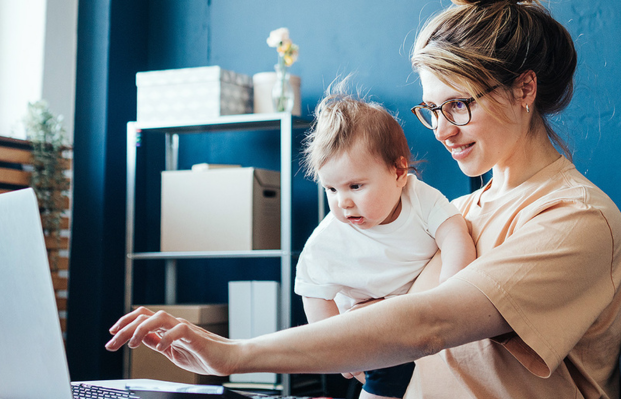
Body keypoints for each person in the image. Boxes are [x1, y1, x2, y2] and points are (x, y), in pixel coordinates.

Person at [105, 0, 621, 397]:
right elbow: (390, 330)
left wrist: (237, 354)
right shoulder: (461, 213)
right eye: (431, 109)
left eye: (458, 105)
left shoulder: (575, 218)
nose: (442, 130)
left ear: (524, 89)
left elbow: (426, 324)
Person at [294, 82, 476, 399]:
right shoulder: (328, 242)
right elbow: (313, 291)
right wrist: (338, 350)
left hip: (422, 315)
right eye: (331, 189)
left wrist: (453, 287)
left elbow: (454, 230)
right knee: (385, 381)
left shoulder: (417, 197)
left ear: (398, 172)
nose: (343, 202)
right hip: (373, 327)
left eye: (355, 186)